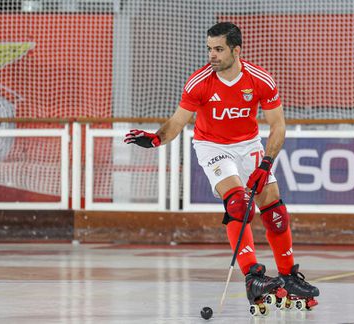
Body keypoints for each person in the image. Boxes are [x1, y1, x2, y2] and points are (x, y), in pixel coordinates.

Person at [124, 22, 319, 312]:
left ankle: (289, 277)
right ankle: (253, 275)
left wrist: (265, 163)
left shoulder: (260, 80)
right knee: (239, 205)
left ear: (236, 50)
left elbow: (278, 126)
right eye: (209, 49)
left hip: (248, 146)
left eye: (218, 49)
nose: (211, 55)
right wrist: (155, 139)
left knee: (275, 213)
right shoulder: (199, 81)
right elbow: (177, 122)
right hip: (212, 147)